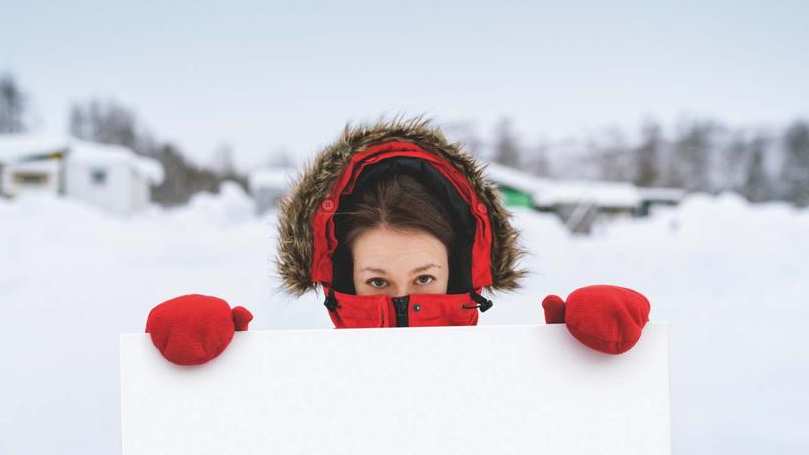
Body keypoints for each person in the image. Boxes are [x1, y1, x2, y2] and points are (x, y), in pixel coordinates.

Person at [146, 115, 650, 364]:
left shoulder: (506, 378)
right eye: (377, 280)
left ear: (463, 273)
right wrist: (217, 378)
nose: (404, 301)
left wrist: (581, 364)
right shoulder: (306, 389)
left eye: (425, 278)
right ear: (342, 282)